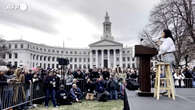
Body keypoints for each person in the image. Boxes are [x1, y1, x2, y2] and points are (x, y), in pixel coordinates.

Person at [158, 29, 176, 94]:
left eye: (162, 33)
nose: (161, 34)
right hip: (166, 56)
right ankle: (167, 89)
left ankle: (170, 90)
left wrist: (160, 44)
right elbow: (162, 51)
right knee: (166, 74)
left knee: (168, 73)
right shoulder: (166, 40)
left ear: (166, 33)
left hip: (168, 56)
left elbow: (163, 49)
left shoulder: (168, 39)